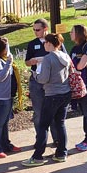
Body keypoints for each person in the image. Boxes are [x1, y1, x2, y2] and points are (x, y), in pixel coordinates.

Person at [24, 33, 71, 166]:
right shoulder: (65, 56)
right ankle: (61, 153)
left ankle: (38, 156)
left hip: (52, 95)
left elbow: (43, 79)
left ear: (49, 44)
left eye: (45, 42)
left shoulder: (48, 59)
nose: (44, 44)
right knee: (60, 123)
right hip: (65, 93)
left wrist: (35, 75)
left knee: (43, 125)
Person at [25, 19, 63, 148]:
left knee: (53, 112)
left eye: (38, 29)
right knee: (38, 112)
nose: (35, 32)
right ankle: (40, 140)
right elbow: (27, 62)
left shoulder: (55, 42)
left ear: (45, 28)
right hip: (36, 81)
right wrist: (33, 61)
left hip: (51, 82)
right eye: (34, 30)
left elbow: (63, 59)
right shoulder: (32, 44)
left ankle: (57, 139)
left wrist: (46, 59)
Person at [69, 24, 87, 152]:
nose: (70, 33)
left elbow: (81, 65)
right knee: (85, 113)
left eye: (72, 31)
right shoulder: (75, 48)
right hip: (77, 85)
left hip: (86, 84)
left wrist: (73, 64)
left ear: (79, 33)